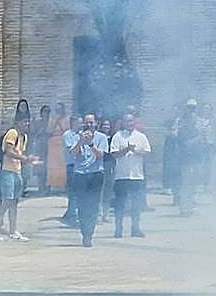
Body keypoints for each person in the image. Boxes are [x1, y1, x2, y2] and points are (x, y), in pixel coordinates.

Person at [0, 115, 40, 241]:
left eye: (28, 122)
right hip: (6, 172)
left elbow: (19, 153)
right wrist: (25, 159)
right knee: (7, 201)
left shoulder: (23, 137)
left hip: (17, 172)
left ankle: (13, 231)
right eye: (24, 121)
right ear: (17, 122)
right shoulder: (12, 133)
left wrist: (29, 159)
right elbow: (9, 152)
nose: (27, 124)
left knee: (14, 202)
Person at [69, 113, 109, 247]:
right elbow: (73, 153)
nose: (89, 125)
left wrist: (91, 143)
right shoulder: (76, 136)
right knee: (81, 205)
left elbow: (100, 155)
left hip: (96, 174)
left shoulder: (102, 137)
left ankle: (89, 234)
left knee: (93, 205)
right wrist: (81, 141)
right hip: (80, 174)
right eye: (87, 122)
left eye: (91, 122)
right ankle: (84, 233)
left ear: (96, 123)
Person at [110, 113, 150, 238]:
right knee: (120, 203)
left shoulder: (141, 136)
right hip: (122, 176)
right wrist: (126, 150)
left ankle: (135, 228)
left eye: (131, 121)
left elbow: (147, 152)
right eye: (127, 121)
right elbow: (114, 154)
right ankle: (118, 228)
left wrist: (135, 150)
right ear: (123, 122)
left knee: (136, 203)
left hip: (137, 175)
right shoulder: (118, 136)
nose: (130, 123)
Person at [47, 103, 69, 194]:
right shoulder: (52, 119)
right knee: (52, 164)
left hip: (62, 141)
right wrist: (55, 121)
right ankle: (53, 185)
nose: (58, 111)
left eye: (60, 109)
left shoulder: (67, 119)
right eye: (57, 110)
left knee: (62, 164)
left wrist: (59, 123)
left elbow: (66, 130)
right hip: (53, 142)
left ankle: (62, 185)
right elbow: (49, 131)